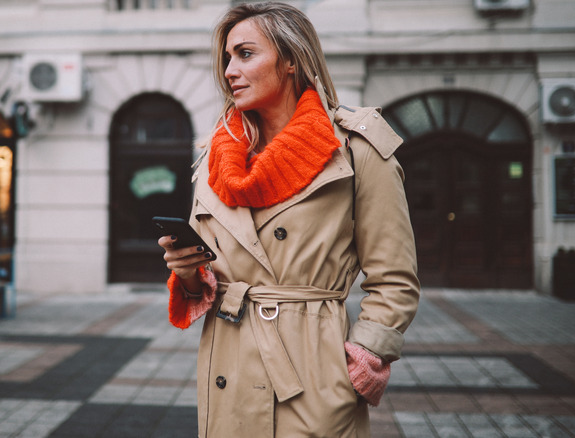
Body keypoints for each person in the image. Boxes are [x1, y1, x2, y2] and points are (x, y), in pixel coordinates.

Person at [157, 3, 420, 436]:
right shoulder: (215, 156)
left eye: (244, 54)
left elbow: (395, 277)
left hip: (312, 371)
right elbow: (207, 279)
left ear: (291, 60)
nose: (229, 71)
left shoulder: (356, 149)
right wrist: (187, 273)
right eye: (226, 58)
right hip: (228, 365)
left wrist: (365, 356)